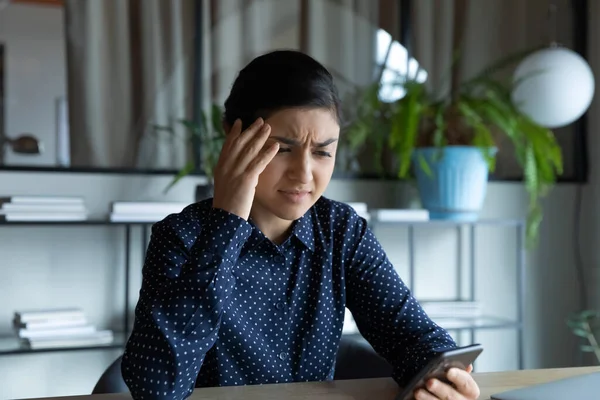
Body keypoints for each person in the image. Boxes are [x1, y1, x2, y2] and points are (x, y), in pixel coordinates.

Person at [121, 49, 481, 400]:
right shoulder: (181, 238)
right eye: (282, 149)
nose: (304, 174)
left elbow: (412, 336)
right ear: (232, 136)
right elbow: (158, 388)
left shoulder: (340, 231)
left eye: (324, 151)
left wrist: (445, 378)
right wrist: (227, 221)